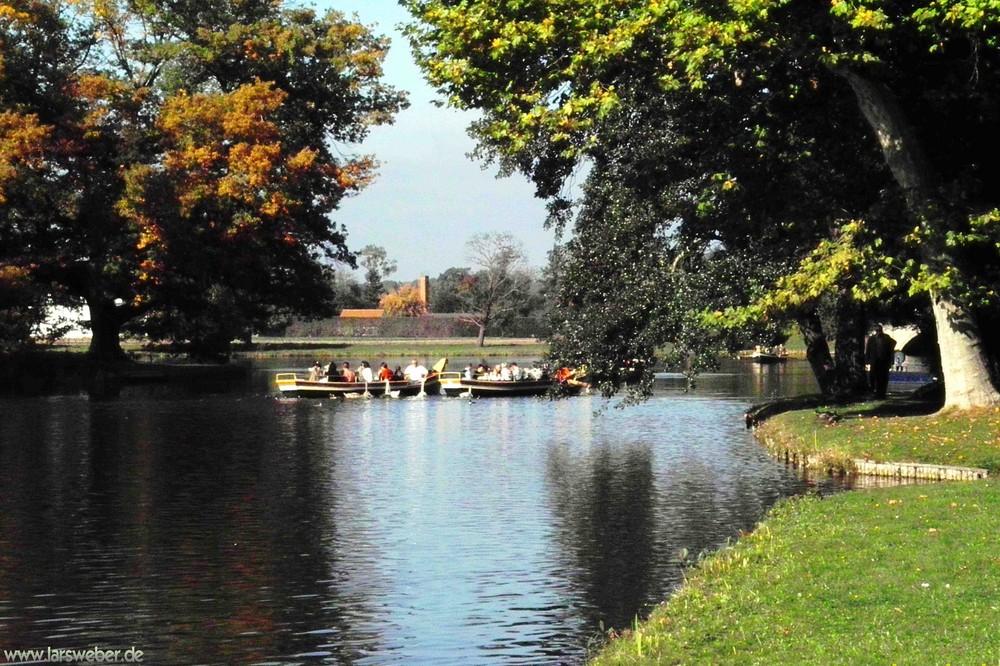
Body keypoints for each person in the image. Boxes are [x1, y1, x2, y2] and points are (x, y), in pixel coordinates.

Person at [865, 324, 897, 399]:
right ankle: (873, 392)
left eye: (879, 331)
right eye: (877, 331)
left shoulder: (886, 338)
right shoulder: (872, 339)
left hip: (884, 362)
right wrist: (867, 361)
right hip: (874, 361)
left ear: (881, 331)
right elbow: (868, 350)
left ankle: (882, 393)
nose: (878, 332)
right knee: (872, 377)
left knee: (883, 378)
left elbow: (893, 345)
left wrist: (890, 361)